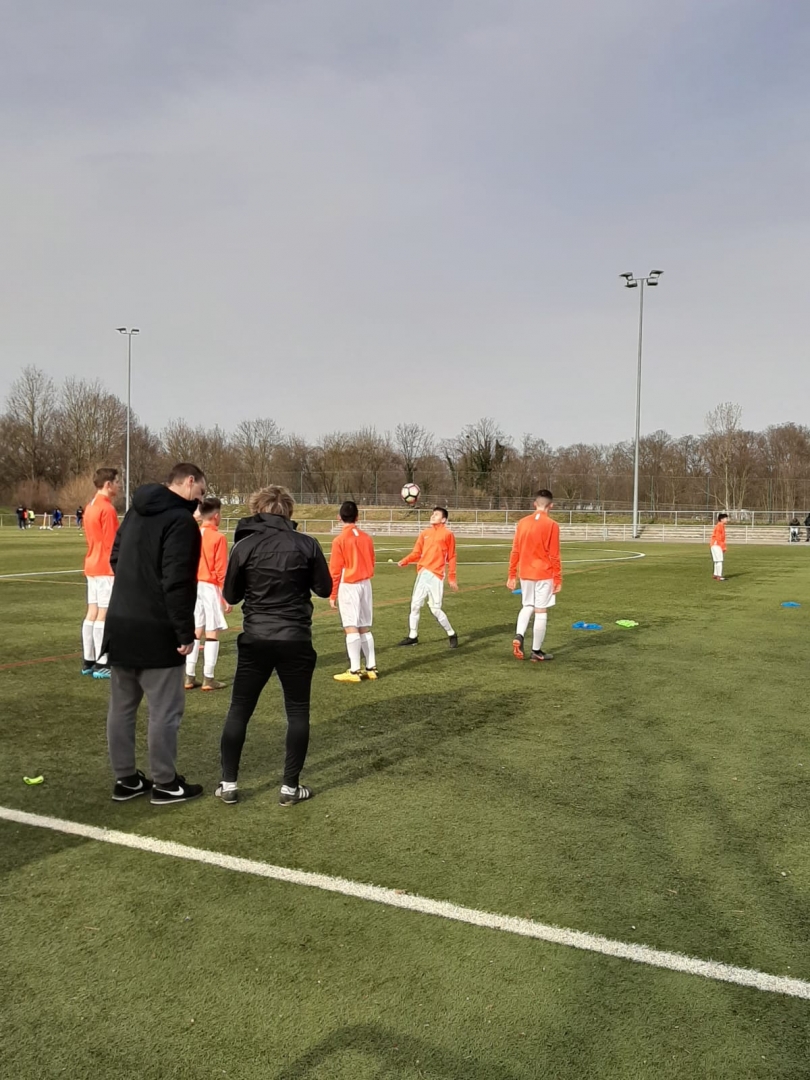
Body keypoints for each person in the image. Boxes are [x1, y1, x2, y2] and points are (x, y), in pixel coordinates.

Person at [216, 485, 331, 807]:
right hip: (295, 637)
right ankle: (290, 788)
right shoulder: (306, 543)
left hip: (257, 637)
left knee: (239, 710)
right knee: (297, 712)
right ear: (288, 512)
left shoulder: (245, 545)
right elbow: (324, 588)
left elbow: (231, 595)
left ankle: (229, 783)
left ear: (257, 510)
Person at [104, 463, 207, 805]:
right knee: (165, 709)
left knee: (122, 708)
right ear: (189, 481)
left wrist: (137, 585)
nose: (200, 500)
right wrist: (184, 632)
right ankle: (165, 782)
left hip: (121, 621)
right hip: (156, 627)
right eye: (201, 491)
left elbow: (116, 558)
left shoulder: (135, 512)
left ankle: (126, 779)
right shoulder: (181, 521)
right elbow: (177, 581)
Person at [507, 489, 561, 662]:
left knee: (527, 605)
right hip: (543, 573)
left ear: (534, 504)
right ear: (551, 506)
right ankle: (536, 651)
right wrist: (558, 578)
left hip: (525, 572)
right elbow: (554, 555)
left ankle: (519, 635)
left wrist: (512, 574)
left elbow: (515, 550)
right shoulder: (552, 525)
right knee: (540, 610)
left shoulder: (522, 523)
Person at [185, 497, 230, 691]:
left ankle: (189, 675)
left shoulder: (191, 533)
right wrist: (226, 597)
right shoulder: (218, 537)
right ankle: (208, 677)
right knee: (212, 630)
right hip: (210, 586)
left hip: (193, 586)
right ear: (216, 516)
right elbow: (221, 570)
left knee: (196, 630)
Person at [397, 506, 458, 648]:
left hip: (436, 575)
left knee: (435, 609)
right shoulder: (425, 533)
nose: (433, 516)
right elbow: (416, 552)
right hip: (423, 573)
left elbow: (452, 556)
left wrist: (452, 577)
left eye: (436, 514)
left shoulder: (448, 534)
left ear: (443, 519)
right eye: (432, 514)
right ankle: (413, 636)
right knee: (415, 605)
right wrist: (405, 560)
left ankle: (451, 633)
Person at [329, 500, 377, 682]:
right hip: (365, 583)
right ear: (357, 517)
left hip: (349, 583)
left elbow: (335, 570)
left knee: (351, 626)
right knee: (364, 626)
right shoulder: (367, 537)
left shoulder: (340, 540)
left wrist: (332, 594)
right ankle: (371, 667)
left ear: (339, 517)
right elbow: (372, 560)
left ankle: (355, 670)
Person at [81, 468, 121, 678]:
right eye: (117, 481)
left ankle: (89, 659)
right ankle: (102, 661)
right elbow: (112, 543)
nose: (119, 485)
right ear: (108, 484)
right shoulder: (107, 508)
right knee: (104, 613)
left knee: (92, 611)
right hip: (105, 566)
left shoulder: (90, 506)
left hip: (92, 563)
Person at [710, 512, 728, 580]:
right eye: (726, 518)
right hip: (717, 544)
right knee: (719, 560)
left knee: (716, 560)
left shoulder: (720, 525)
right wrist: (723, 547)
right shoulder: (720, 526)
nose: (727, 520)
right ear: (721, 519)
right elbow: (719, 538)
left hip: (714, 544)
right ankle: (719, 576)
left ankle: (715, 574)